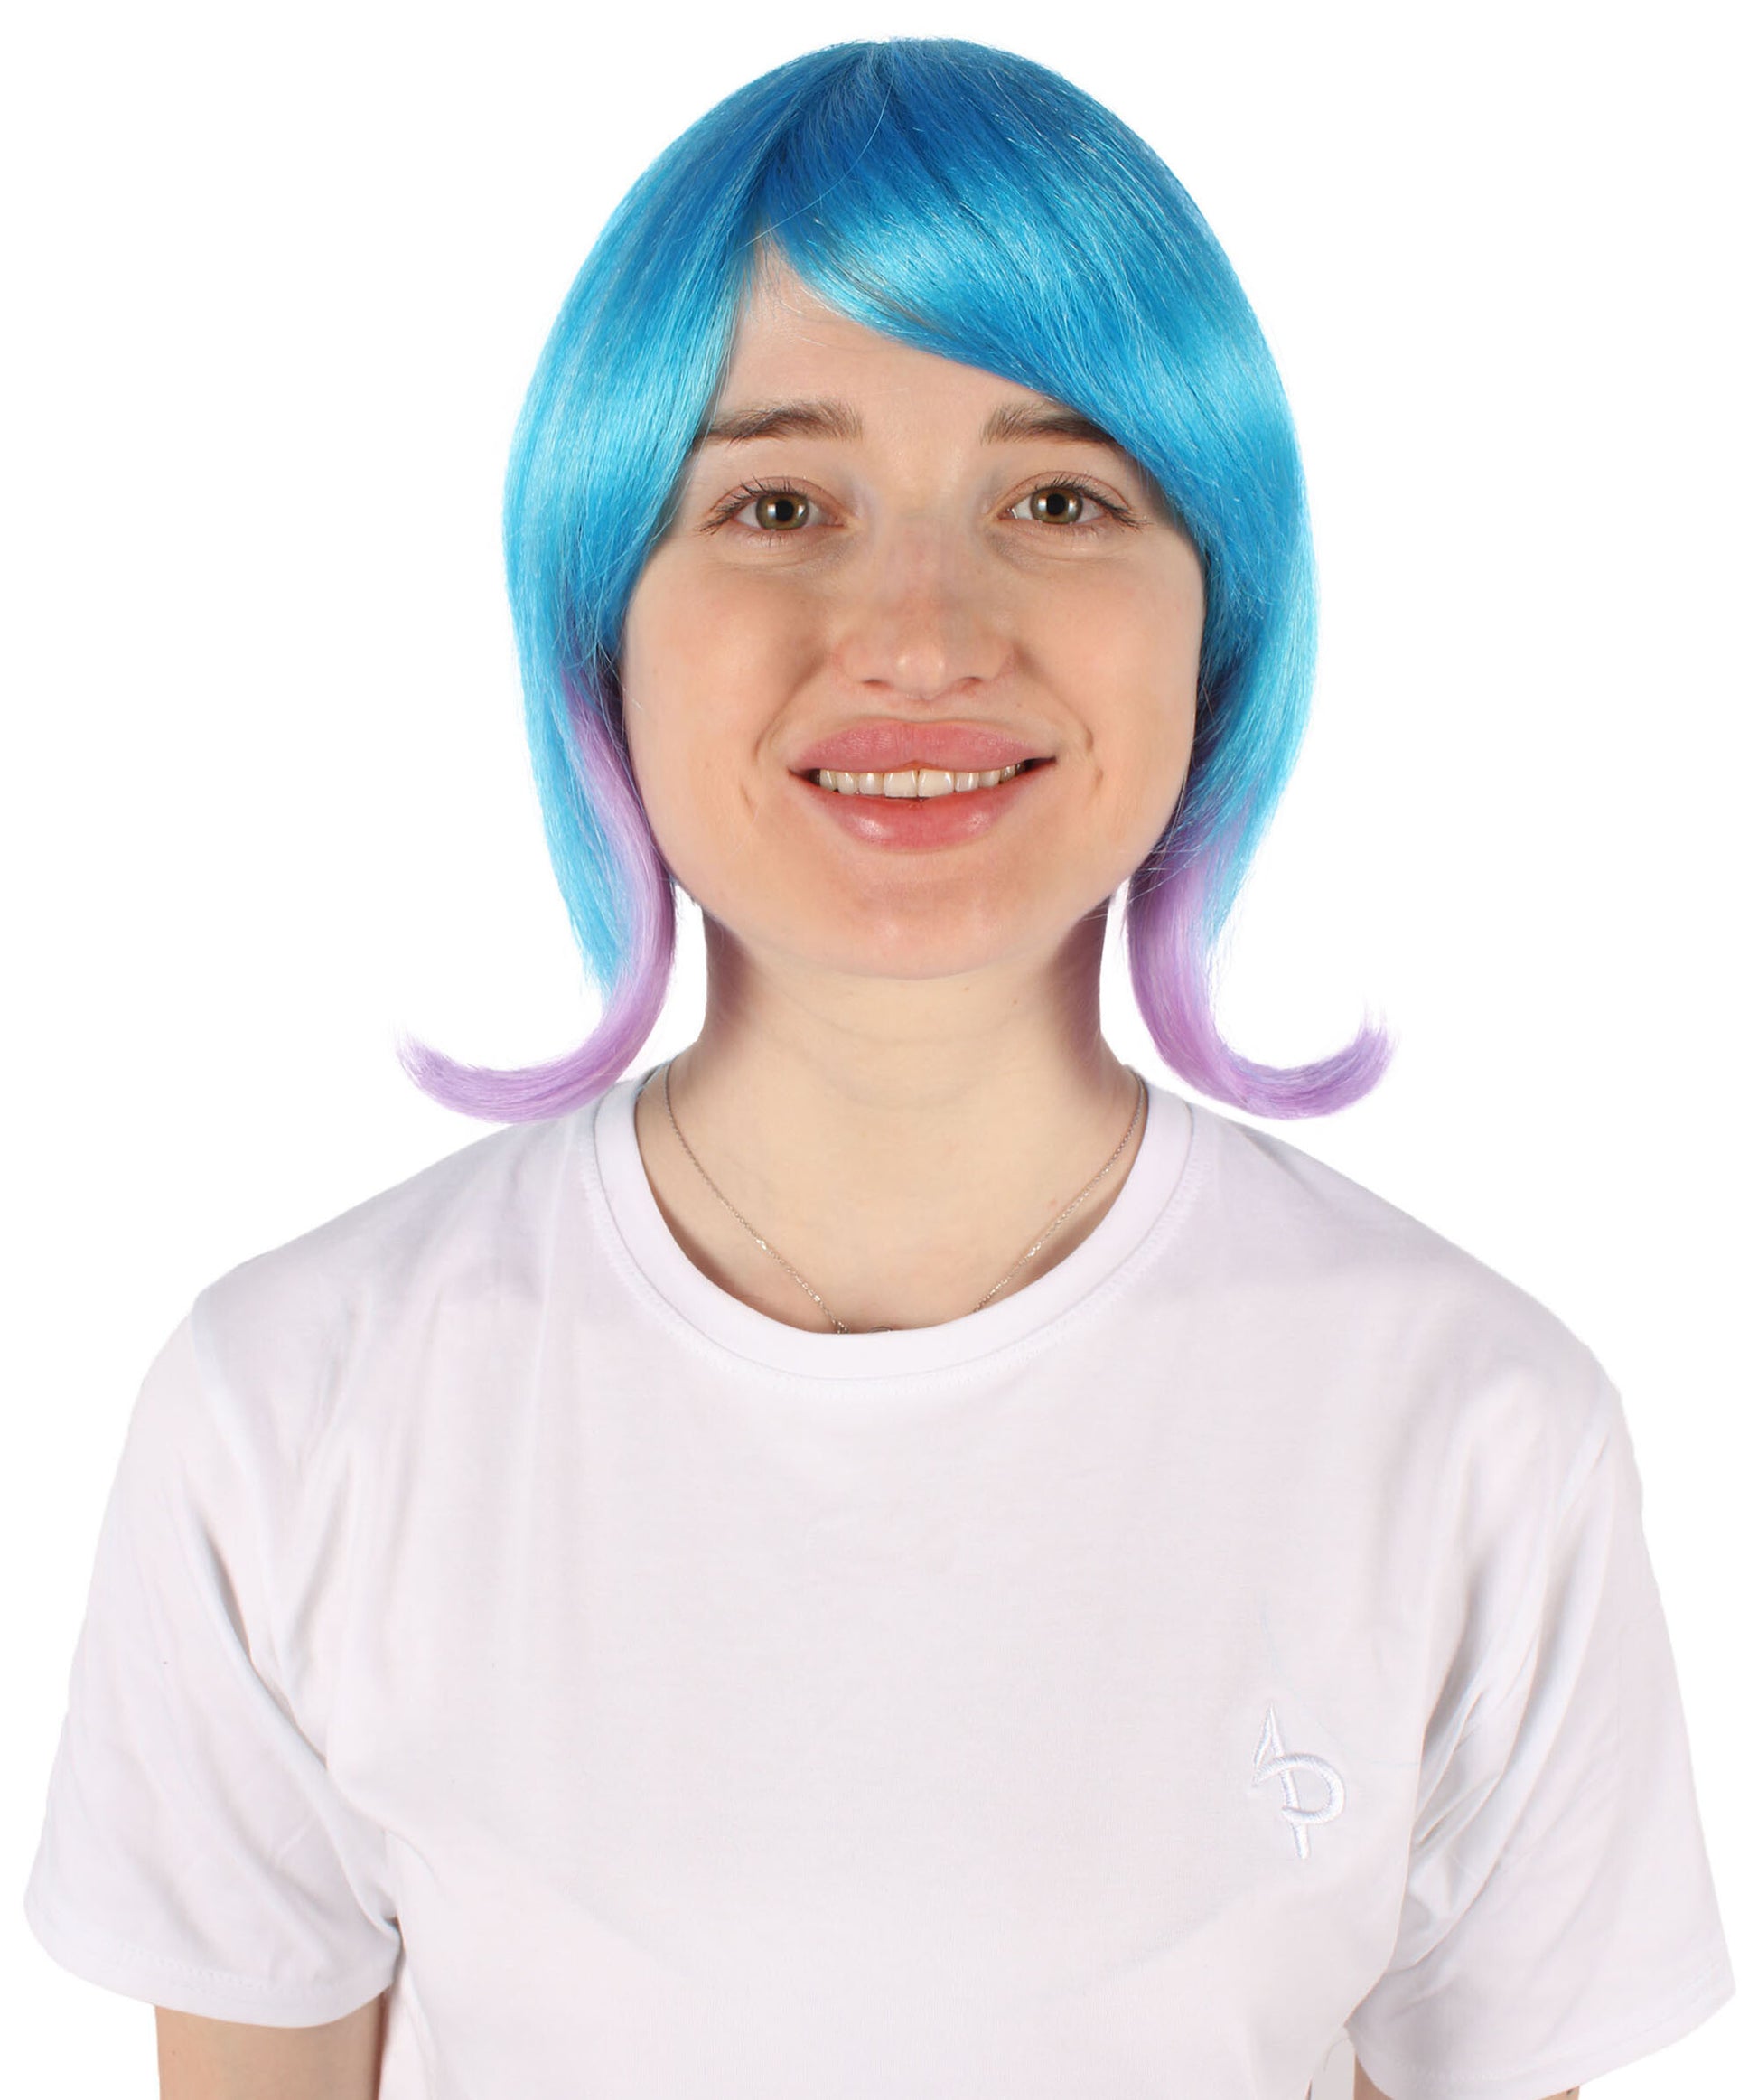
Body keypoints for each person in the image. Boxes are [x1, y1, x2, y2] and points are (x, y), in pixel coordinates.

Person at [23, 35, 1734, 2100]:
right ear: (601, 621)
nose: (921, 634)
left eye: (1057, 497)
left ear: (1217, 623)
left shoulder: (1472, 1428)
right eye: (777, 502)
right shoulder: (294, 1407)